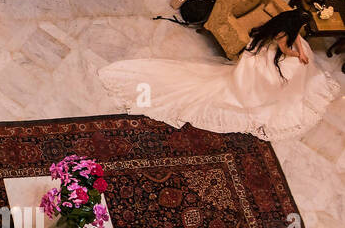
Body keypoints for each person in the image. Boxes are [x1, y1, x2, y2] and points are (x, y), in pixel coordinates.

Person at [98, 9, 340, 141]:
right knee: (297, 67)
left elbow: (293, 35)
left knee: (302, 59)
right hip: (268, 57)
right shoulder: (282, 36)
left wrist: (299, 44)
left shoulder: (286, 22)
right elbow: (285, 48)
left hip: (263, 50)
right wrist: (298, 55)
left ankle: (292, 87)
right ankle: (276, 94)